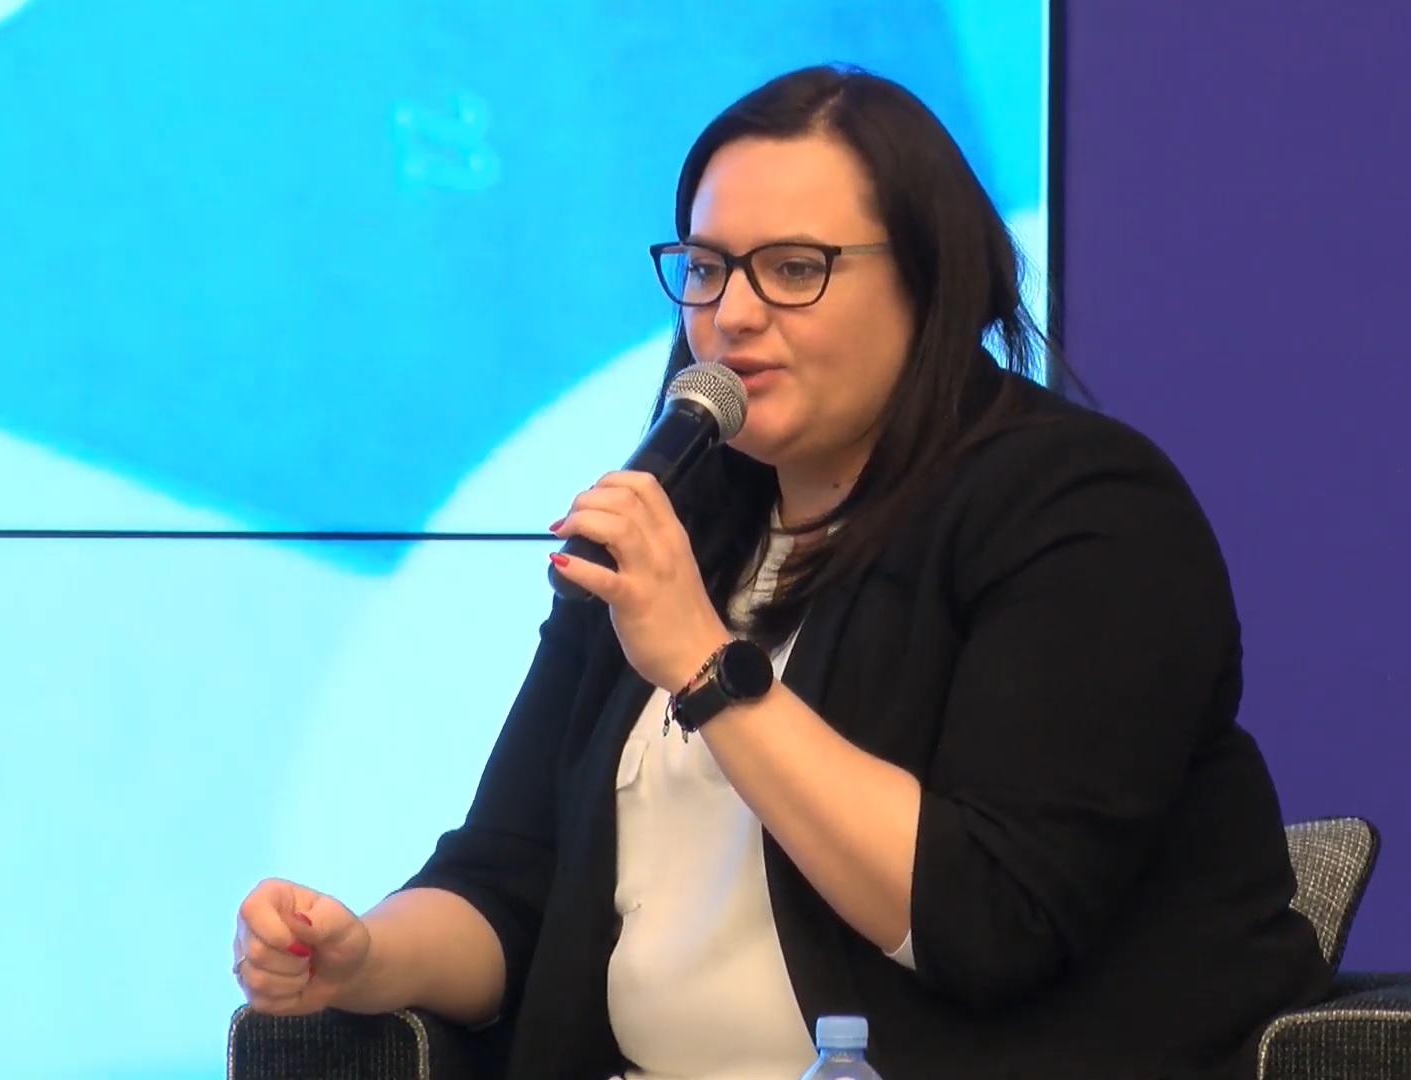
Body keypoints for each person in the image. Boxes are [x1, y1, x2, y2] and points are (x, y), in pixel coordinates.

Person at [231, 64, 1328, 1080]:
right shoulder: (677, 527)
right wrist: (364, 956)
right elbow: (508, 884)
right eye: (707, 269)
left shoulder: (1084, 511)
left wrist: (707, 664)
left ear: (930, 281)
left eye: (795, 269)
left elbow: (993, 919)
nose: (734, 314)